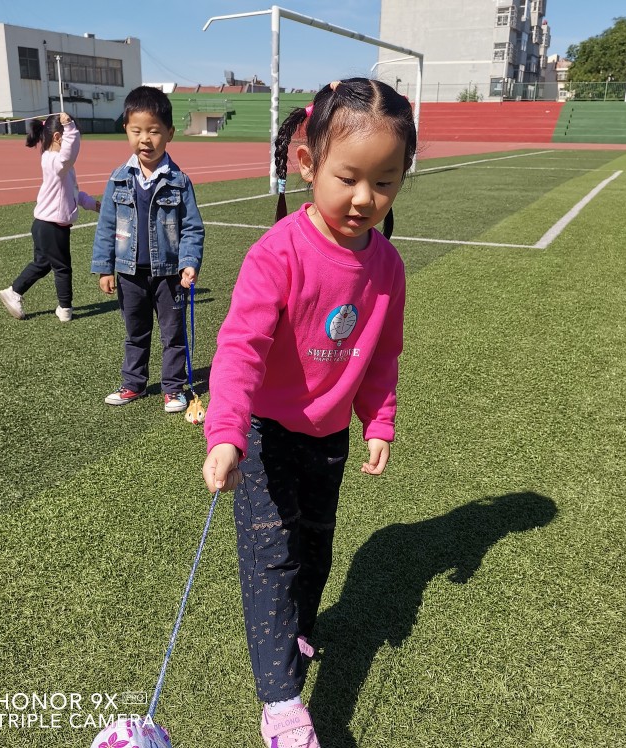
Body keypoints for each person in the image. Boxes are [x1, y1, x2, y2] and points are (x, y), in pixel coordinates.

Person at [202, 78, 416, 748]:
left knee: (314, 550)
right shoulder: (278, 253)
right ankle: (282, 704)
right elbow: (240, 346)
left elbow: (381, 353)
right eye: (348, 178)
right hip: (263, 435)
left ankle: (294, 632)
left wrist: (378, 419)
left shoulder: (388, 267)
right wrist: (226, 432)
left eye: (384, 182)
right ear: (307, 165)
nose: (364, 198)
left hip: (327, 437)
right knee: (273, 558)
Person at [91, 85, 205, 413]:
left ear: (169, 133)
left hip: (169, 275)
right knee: (135, 332)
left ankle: (173, 388)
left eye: (154, 131)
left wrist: (189, 262)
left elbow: (192, 227)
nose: (145, 139)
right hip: (129, 274)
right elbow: (106, 226)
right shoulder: (118, 179)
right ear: (126, 130)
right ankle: (133, 383)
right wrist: (104, 267)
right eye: (137, 131)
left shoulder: (179, 181)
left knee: (173, 334)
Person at [0, 112, 100, 322]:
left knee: (43, 264)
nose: (75, 139)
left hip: (47, 225)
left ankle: (14, 291)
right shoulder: (54, 160)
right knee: (62, 268)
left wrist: (93, 205)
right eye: (70, 136)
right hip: (50, 226)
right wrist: (70, 126)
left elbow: (74, 193)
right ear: (57, 137)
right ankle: (65, 309)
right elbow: (69, 155)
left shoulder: (63, 167)